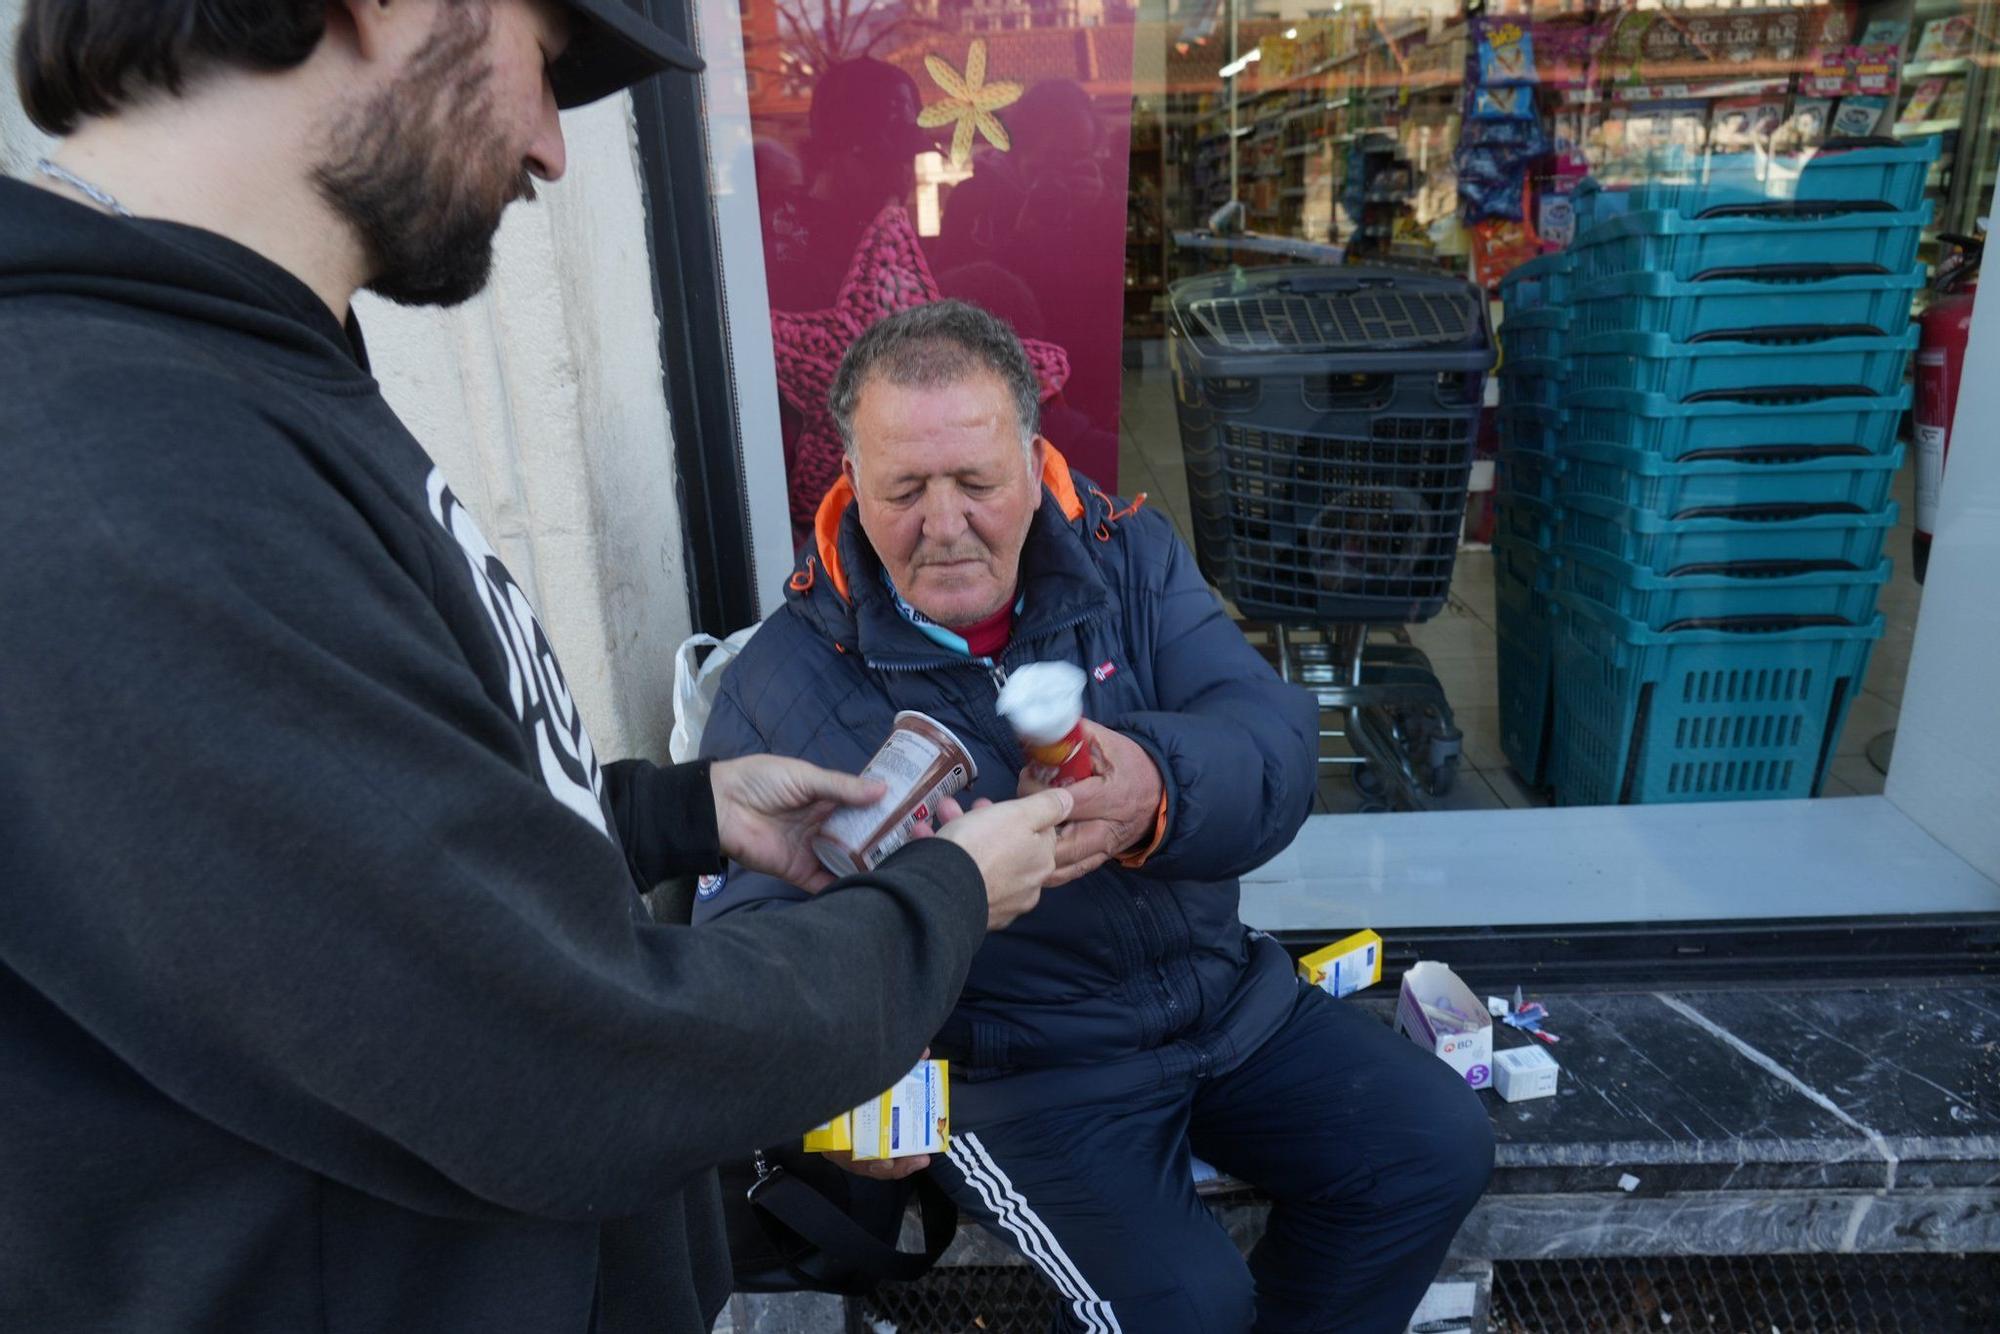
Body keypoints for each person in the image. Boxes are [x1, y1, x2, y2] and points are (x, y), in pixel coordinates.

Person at [0, 4, 1075, 1332]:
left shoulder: (237, 371)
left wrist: (673, 812)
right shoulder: (111, 466)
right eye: (551, 64)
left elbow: (338, 878)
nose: (552, 150)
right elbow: (564, 1062)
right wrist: (944, 895)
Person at [698, 300, 1496, 1333]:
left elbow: (1274, 742)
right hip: (1018, 1070)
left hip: (1225, 996)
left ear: (1031, 466)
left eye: (976, 483)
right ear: (849, 479)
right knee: (1188, 1311)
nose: (943, 525)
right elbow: (744, 954)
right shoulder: (782, 681)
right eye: (903, 490)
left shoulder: (1130, 559)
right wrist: (849, 1059)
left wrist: (1156, 786)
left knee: (1430, 1146)